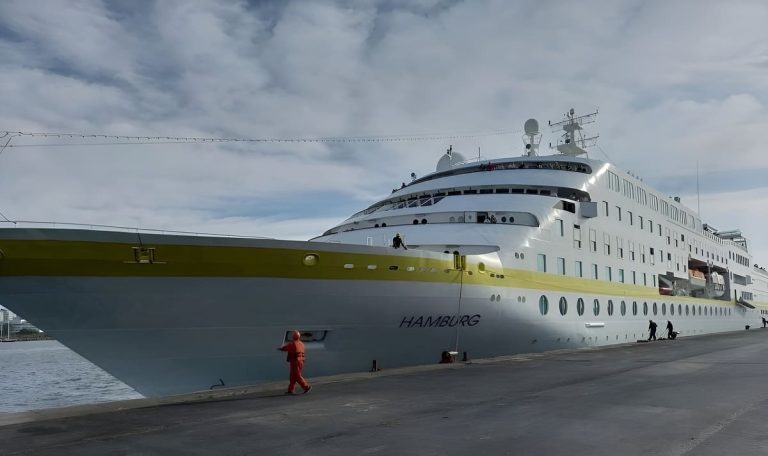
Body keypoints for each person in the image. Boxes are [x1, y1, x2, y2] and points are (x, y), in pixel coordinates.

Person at [277, 330, 311, 394]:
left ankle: (306, 387)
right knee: (292, 376)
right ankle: (291, 390)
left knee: (297, 375)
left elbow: (285, 348)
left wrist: (280, 349)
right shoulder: (302, 344)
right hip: (301, 360)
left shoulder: (292, 344)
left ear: (293, 336)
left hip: (295, 361)